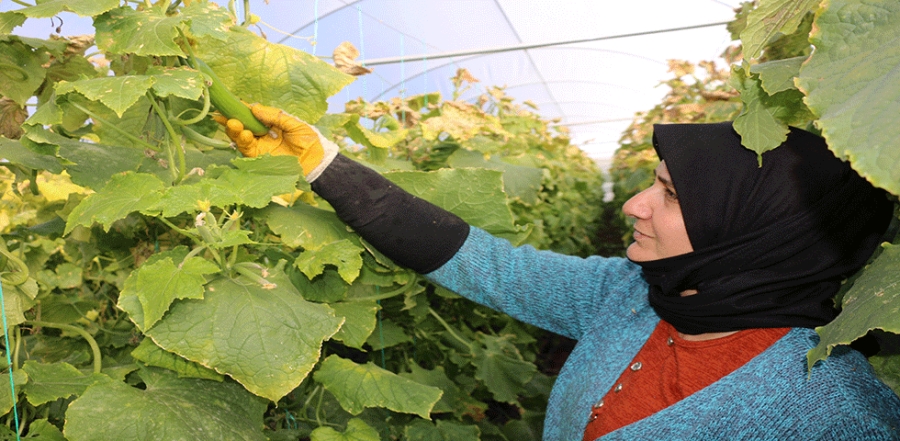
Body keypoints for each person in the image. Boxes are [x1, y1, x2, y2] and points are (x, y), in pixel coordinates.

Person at [218, 105, 900, 440]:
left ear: (752, 233)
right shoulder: (627, 293)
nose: (636, 203)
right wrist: (323, 166)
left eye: (670, 194)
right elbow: (477, 259)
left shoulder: (836, 409)